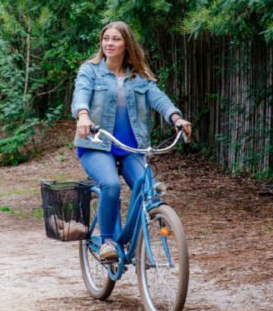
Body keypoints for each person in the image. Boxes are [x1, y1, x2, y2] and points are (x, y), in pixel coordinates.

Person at [72, 21, 192, 262]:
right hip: (97, 145)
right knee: (111, 186)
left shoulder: (140, 78)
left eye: (116, 39)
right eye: (106, 38)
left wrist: (176, 118)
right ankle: (107, 241)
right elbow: (81, 94)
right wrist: (83, 115)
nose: (109, 43)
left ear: (126, 43)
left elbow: (159, 99)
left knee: (149, 191)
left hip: (131, 148)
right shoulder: (91, 70)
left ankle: (139, 244)